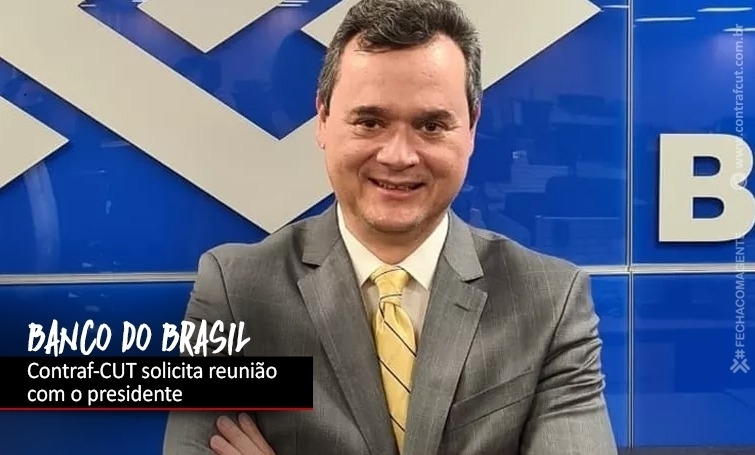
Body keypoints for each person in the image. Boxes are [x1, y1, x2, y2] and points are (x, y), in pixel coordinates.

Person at [163, 0, 618, 453]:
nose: (398, 155)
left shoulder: (549, 302)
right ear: (323, 119)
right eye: (370, 121)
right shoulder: (236, 292)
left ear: (471, 128)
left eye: (431, 125)